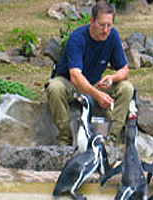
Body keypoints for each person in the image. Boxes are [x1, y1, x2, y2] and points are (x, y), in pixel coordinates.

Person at [46, 1, 133, 146]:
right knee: (54, 87)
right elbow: (75, 77)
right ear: (91, 21)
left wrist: (112, 77)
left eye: (109, 25)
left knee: (126, 88)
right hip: (69, 84)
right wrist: (98, 95)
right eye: (101, 25)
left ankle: (110, 140)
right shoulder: (77, 38)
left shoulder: (112, 36)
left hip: (93, 84)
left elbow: (125, 71)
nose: (106, 30)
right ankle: (65, 139)